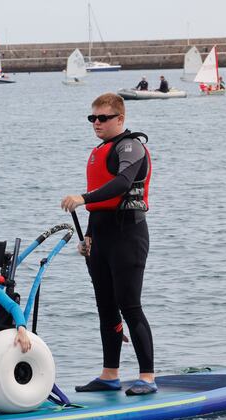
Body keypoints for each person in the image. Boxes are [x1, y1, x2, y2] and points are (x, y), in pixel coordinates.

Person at [60, 93, 156, 396]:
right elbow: (98, 204)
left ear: (120, 119)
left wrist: (82, 198)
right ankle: (110, 374)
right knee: (105, 307)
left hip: (128, 235)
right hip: (100, 236)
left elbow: (123, 183)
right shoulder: (97, 152)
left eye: (103, 118)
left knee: (130, 305)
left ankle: (147, 377)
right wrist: (88, 237)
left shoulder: (130, 146)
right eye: (93, 118)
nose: (96, 123)